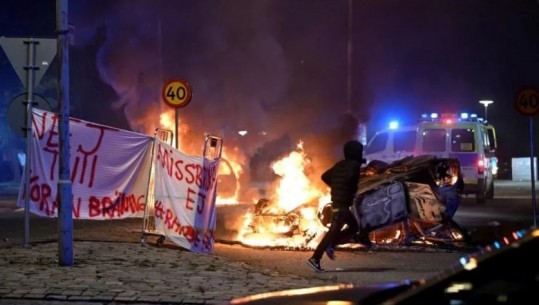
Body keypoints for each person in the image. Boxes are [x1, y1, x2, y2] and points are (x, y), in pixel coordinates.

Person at [307, 140, 368, 273]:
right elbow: (351, 179)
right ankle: (315, 258)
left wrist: (336, 185)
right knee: (332, 233)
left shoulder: (340, 164)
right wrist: (350, 190)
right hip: (342, 204)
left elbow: (325, 176)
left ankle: (331, 245)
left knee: (354, 227)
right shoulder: (354, 165)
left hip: (338, 202)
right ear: (357, 152)